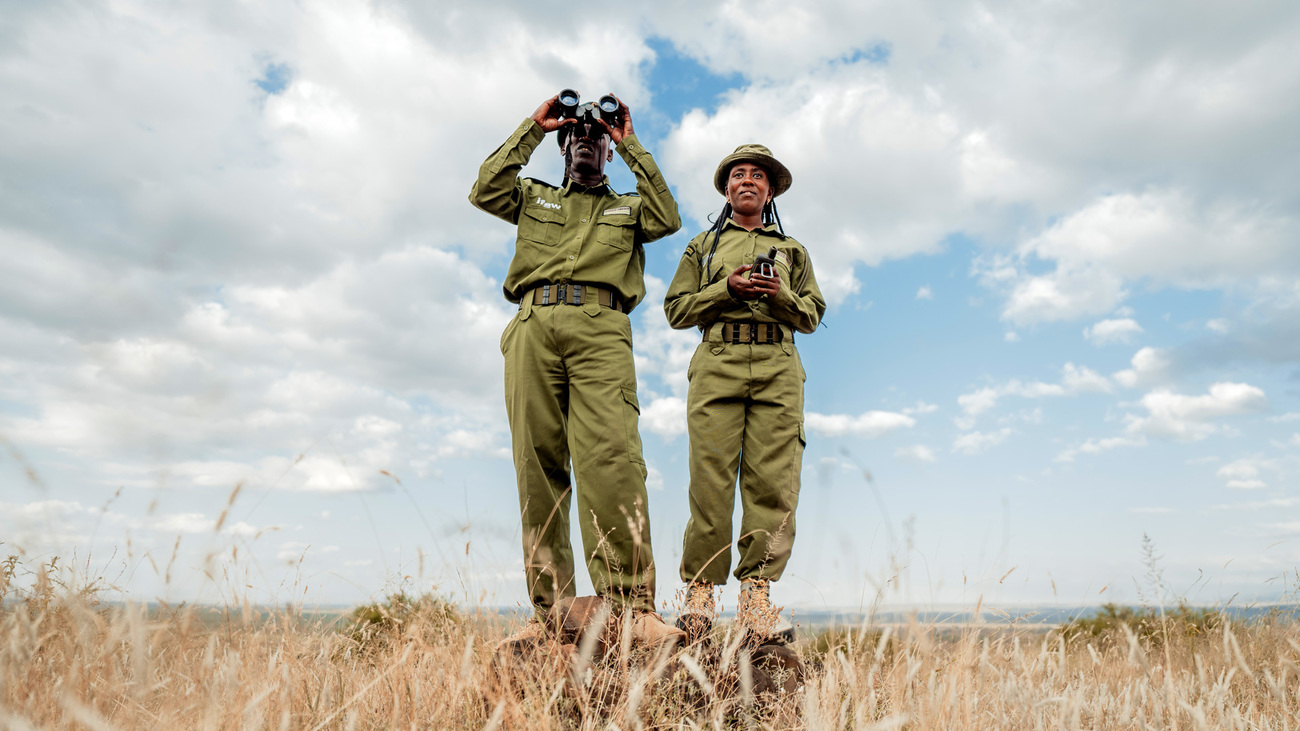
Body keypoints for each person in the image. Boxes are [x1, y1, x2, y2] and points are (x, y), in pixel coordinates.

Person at [469, 92, 685, 649]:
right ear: (565, 145)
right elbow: (486, 188)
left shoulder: (629, 206)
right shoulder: (533, 196)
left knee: (611, 459)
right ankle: (551, 613)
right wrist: (535, 127)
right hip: (532, 324)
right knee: (536, 466)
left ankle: (634, 609)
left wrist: (629, 141)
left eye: (597, 136)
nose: (587, 139)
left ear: (606, 152)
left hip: (601, 327)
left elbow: (668, 216)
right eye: (578, 134)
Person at [663, 144, 825, 641]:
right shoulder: (701, 248)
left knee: (772, 484)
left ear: (770, 189)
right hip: (717, 363)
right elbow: (676, 310)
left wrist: (781, 295)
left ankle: (756, 598)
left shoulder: (794, 251)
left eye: (758, 175)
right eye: (738, 175)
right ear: (727, 189)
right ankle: (700, 596)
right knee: (709, 480)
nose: (748, 181)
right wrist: (726, 289)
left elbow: (813, 315)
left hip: (778, 364)